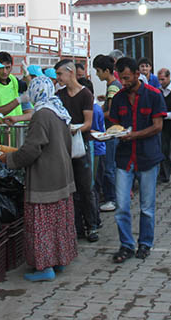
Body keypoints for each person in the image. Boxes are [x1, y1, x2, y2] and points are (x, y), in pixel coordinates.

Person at [0, 76, 77, 282]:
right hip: (63, 174)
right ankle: (59, 259)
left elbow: (32, 149)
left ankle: (44, 267)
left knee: (42, 223)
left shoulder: (41, 115)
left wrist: (9, 158)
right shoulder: (58, 110)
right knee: (59, 222)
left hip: (45, 178)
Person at [108, 56, 166, 263]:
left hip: (148, 157)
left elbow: (158, 126)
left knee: (146, 207)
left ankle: (145, 243)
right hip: (124, 159)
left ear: (137, 74)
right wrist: (111, 133)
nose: (123, 83)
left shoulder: (153, 94)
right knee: (122, 206)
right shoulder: (119, 99)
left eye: (126, 78)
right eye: (120, 78)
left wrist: (134, 135)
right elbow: (114, 126)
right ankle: (126, 245)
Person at [55, 59, 100, 242]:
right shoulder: (59, 95)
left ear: (70, 72)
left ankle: (92, 225)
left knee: (85, 187)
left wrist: (72, 129)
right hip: (65, 145)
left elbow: (88, 123)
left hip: (81, 144)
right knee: (70, 189)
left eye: (60, 74)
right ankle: (76, 227)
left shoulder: (85, 94)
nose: (57, 78)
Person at [93, 54, 121, 212]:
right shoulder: (113, 85)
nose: (97, 74)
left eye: (98, 71)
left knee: (109, 166)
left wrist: (94, 115)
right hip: (112, 131)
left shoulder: (113, 86)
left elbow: (111, 112)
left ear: (106, 70)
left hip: (111, 131)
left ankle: (112, 198)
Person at [0, 51, 33, 119]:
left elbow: (29, 86)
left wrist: (27, 75)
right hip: (2, 125)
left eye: (7, 68)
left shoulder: (13, 79)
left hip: (17, 125)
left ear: (11, 67)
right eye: (1, 68)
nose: (4, 72)